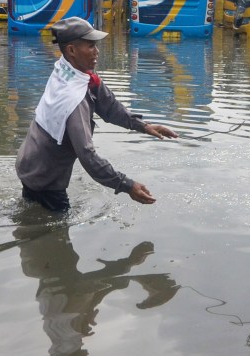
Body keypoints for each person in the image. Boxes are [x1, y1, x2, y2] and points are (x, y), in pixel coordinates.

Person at [16, 16, 177, 211]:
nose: (97, 51)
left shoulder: (72, 71)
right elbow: (87, 156)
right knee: (58, 228)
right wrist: (127, 185)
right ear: (72, 50)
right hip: (45, 177)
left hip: (29, 162)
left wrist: (143, 126)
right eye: (91, 46)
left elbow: (109, 107)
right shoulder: (73, 100)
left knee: (29, 214)